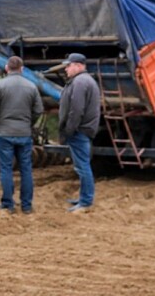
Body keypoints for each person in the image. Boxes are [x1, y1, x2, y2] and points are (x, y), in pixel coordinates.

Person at [0, 56, 44, 214]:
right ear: (22, 69)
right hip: (24, 133)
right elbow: (38, 110)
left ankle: (8, 205)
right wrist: (28, 123)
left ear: (6, 68)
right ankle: (26, 206)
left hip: (4, 133)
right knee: (26, 169)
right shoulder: (31, 86)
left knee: (6, 169)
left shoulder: (0, 85)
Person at [58, 53, 101, 213]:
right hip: (82, 130)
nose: (66, 69)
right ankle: (84, 198)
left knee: (83, 167)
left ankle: (85, 202)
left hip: (79, 131)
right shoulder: (83, 81)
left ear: (78, 65)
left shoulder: (80, 82)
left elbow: (76, 110)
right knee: (81, 166)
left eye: (68, 65)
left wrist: (69, 129)